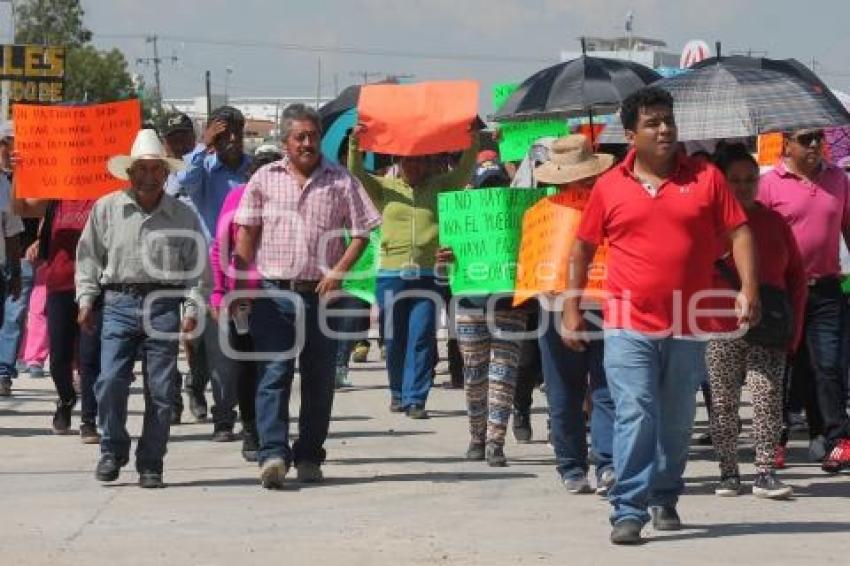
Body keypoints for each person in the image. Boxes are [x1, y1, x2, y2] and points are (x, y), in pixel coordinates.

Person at [564, 87, 758, 545]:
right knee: (636, 411)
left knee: (674, 419)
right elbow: (581, 248)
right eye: (652, 123)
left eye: (669, 120)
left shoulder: (706, 178)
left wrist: (749, 288)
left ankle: (665, 494)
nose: (665, 129)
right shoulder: (610, 186)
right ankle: (628, 509)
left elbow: (740, 231)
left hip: (688, 322)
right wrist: (571, 306)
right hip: (627, 321)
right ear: (631, 134)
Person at [233, 104, 381, 489]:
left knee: (319, 380)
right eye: (300, 136)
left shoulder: (341, 180)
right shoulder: (264, 178)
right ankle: (273, 454)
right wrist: (241, 284)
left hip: (321, 297)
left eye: (313, 136)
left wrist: (339, 271)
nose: (307, 143)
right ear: (285, 141)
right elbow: (246, 232)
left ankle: (311, 454)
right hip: (272, 294)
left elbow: (363, 231)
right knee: (274, 374)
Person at [76, 129, 209, 488]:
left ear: (166, 174)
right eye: (142, 170)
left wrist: (192, 310)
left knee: (162, 390)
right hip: (118, 302)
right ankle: (112, 448)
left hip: (164, 305)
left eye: (156, 170)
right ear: (130, 172)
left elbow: (198, 270)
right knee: (108, 382)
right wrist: (86, 300)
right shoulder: (107, 209)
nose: (149, 177)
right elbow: (88, 259)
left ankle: (151, 461)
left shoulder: (183, 216)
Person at [348, 123, 478, 418]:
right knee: (394, 338)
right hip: (391, 276)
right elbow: (355, 172)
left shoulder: (443, 186)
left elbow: (467, 167)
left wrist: (472, 139)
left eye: (420, 160)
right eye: (408, 160)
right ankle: (397, 392)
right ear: (399, 162)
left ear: (429, 162)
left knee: (422, 337)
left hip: (429, 275)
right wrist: (356, 143)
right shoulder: (384, 189)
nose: (414, 165)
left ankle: (416, 398)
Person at [706, 144, 806, 498]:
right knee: (723, 402)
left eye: (750, 179)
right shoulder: (707, 224)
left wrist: (793, 330)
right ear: (720, 183)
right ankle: (728, 472)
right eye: (734, 180)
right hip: (718, 327)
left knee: (766, 397)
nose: (744, 186)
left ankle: (765, 471)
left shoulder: (774, 221)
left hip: (770, 325)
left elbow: (796, 276)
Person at [759, 128, 850, 473]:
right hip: (781, 290)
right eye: (806, 139)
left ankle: (838, 439)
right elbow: (757, 233)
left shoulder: (838, 179)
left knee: (828, 366)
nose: (814, 145)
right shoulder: (769, 184)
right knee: (779, 368)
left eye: (818, 138)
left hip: (826, 288)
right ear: (787, 144)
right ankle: (775, 440)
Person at [532, 134, 617, 494]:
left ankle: (609, 463)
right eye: (574, 178)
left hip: (606, 306)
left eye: (585, 177)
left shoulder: (612, 211)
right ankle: (570, 465)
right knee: (563, 392)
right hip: (553, 311)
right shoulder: (539, 215)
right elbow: (528, 264)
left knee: (607, 388)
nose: (580, 185)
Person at [439, 159, 528, 466]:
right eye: (484, 188)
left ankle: (495, 441)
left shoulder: (522, 218)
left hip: (510, 305)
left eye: (496, 186)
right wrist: (445, 257)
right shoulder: (458, 220)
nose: (491, 192)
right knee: (474, 373)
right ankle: (477, 436)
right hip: (469, 304)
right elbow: (441, 272)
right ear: (473, 192)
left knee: (504, 374)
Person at [172, 107, 252, 439]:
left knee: (230, 348)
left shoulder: (253, 171)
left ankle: (225, 414)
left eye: (237, 132)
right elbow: (181, 183)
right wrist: (202, 146)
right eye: (223, 134)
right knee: (201, 341)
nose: (232, 139)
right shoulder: (203, 168)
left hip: (245, 269)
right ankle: (202, 389)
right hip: (207, 272)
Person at [209, 146, 282, 462]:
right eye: (259, 171)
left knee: (276, 367)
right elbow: (219, 248)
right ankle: (251, 428)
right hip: (241, 298)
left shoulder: (287, 203)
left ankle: (271, 430)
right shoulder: (236, 198)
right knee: (247, 367)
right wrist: (218, 292)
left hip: (278, 296)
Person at [0, 122, 36, 395]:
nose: (10, 148)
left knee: (13, 318)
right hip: (15, 259)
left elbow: (11, 228)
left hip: (21, 258)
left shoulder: (39, 175)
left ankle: (3, 371)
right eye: (7, 142)